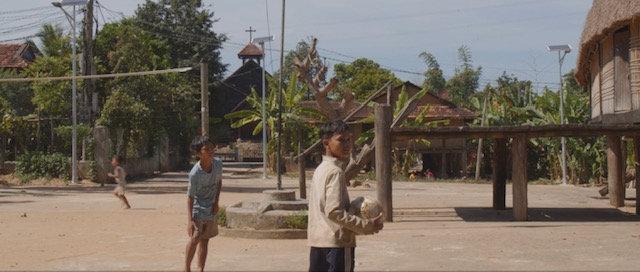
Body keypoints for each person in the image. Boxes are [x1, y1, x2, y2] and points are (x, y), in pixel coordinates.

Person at [308, 120, 384, 272]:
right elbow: (333, 211)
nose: (347, 144)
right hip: (336, 244)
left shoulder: (320, 169)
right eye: (341, 140)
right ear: (326, 143)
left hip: (318, 242)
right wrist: (366, 225)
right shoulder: (335, 172)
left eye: (349, 139)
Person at [185, 135, 223, 272]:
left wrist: (216, 202)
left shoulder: (218, 164)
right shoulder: (195, 174)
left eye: (212, 148)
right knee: (195, 237)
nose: (211, 151)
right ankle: (186, 268)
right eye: (206, 149)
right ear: (199, 153)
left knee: (205, 239)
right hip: (198, 206)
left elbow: (219, 182)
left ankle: (200, 268)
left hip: (211, 206)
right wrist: (190, 221)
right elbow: (190, 197)